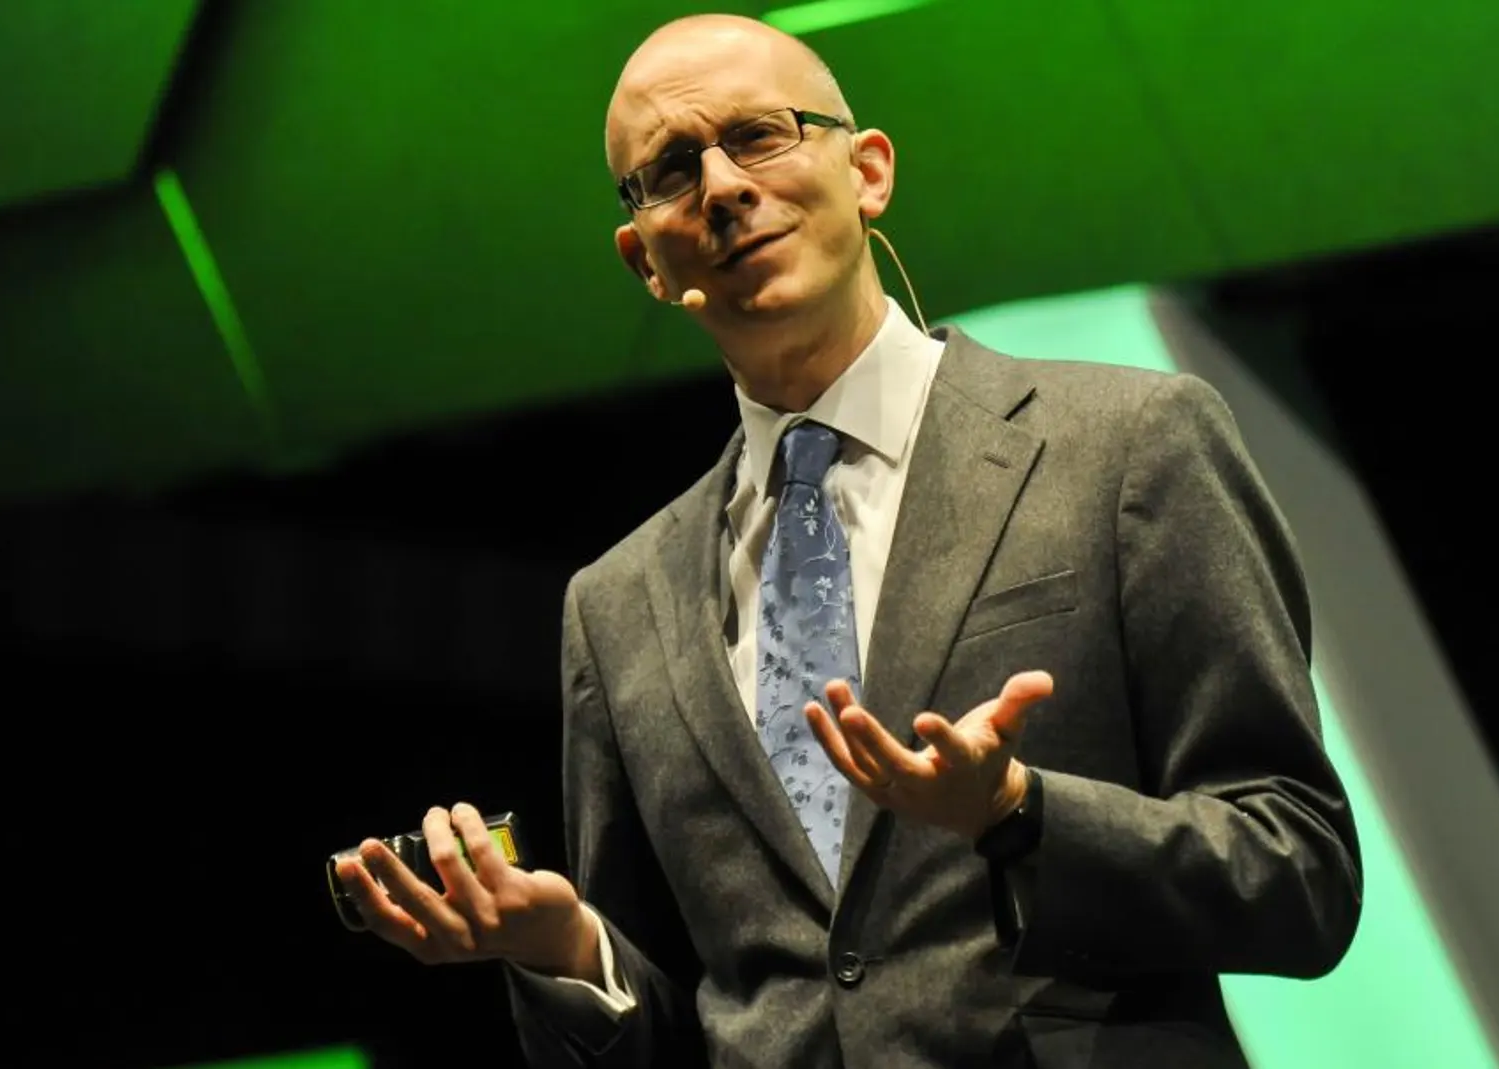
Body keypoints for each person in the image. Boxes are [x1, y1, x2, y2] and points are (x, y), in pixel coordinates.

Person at [334, 13, 1363, 1067]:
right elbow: (693, 1014)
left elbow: (1300, 866)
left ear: (868, 172)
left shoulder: (1127, 445)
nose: (724, 185)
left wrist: (1018, 809)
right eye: (673, 168)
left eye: (761, 135)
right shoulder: (615, 604)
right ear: (644, 258)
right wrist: (571, 951)